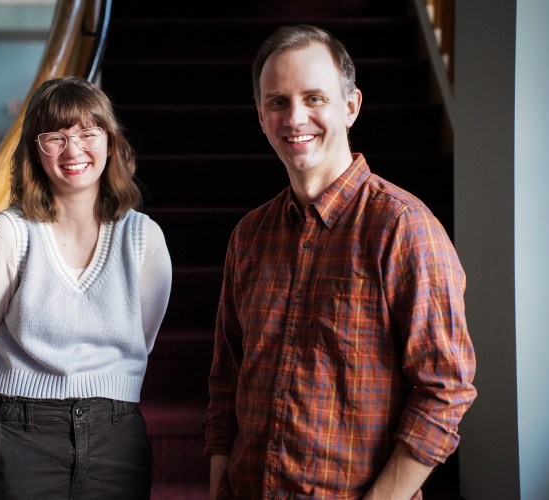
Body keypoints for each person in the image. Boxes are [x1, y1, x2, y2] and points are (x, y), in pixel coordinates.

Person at [204, 25, 477, 499]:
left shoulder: (402, 228)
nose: (295, 118)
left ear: (350, 107)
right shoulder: (249, 236)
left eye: (315, 98)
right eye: (277, 102)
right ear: (260, 115)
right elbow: (227, 379)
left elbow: (445, 391)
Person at [0, 76, 172, 499]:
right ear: (35, 151)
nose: (73, 150)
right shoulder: (7, 235)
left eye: (88, 133)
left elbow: (140, 339)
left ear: (110, 142)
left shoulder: (143, 238)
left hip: (116, 434)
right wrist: (33, 388)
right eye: (55, 136)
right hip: (21, 433)